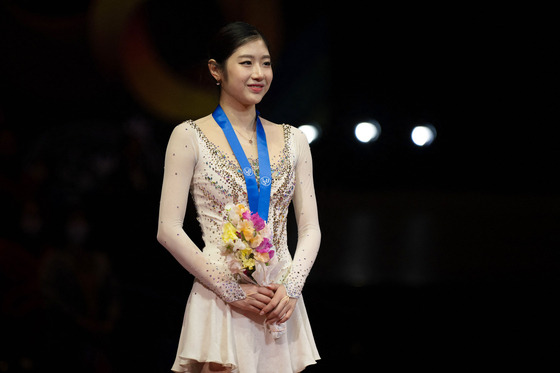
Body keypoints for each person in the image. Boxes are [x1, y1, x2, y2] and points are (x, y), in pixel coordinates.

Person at [157, 21, 321, 373]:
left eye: (266, 63)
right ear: (216, 70)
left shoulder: (295, 140)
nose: (258, 73)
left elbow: (310, 229)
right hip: (221, 298)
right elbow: (168, 229)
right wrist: (233, 292)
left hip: (279, 302)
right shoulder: (188, 136)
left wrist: (291, 288)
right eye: (246, 62)